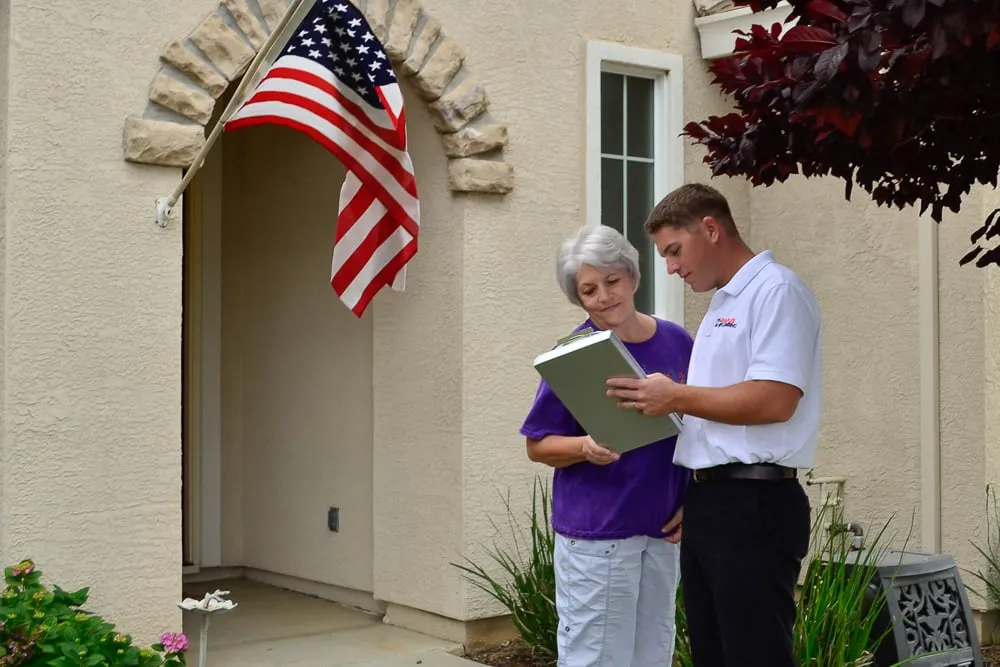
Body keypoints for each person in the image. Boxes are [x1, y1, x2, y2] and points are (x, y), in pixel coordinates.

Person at [606, 183, 821, 667]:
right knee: (713, 654)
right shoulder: (723, 303)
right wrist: (700, 491)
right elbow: (718, 418)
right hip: (715, 503)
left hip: (755, 504)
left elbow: (776, 400)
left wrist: (674, 396)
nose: (671, 267)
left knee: (754, 656)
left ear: (710, 229)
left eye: (674, 251)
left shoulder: (777, 291)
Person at [519, 224, 693, 667]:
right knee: (595, 659)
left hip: (662, 532)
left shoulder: (677, 341)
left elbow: (700, 426)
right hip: (599, 536)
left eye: (611, 281)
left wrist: (694, 497)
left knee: (652, 656)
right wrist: (584, 446)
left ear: (632, 277)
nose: (603, 297)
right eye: (588, 290)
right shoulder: (575, 355)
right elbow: (538, 445)